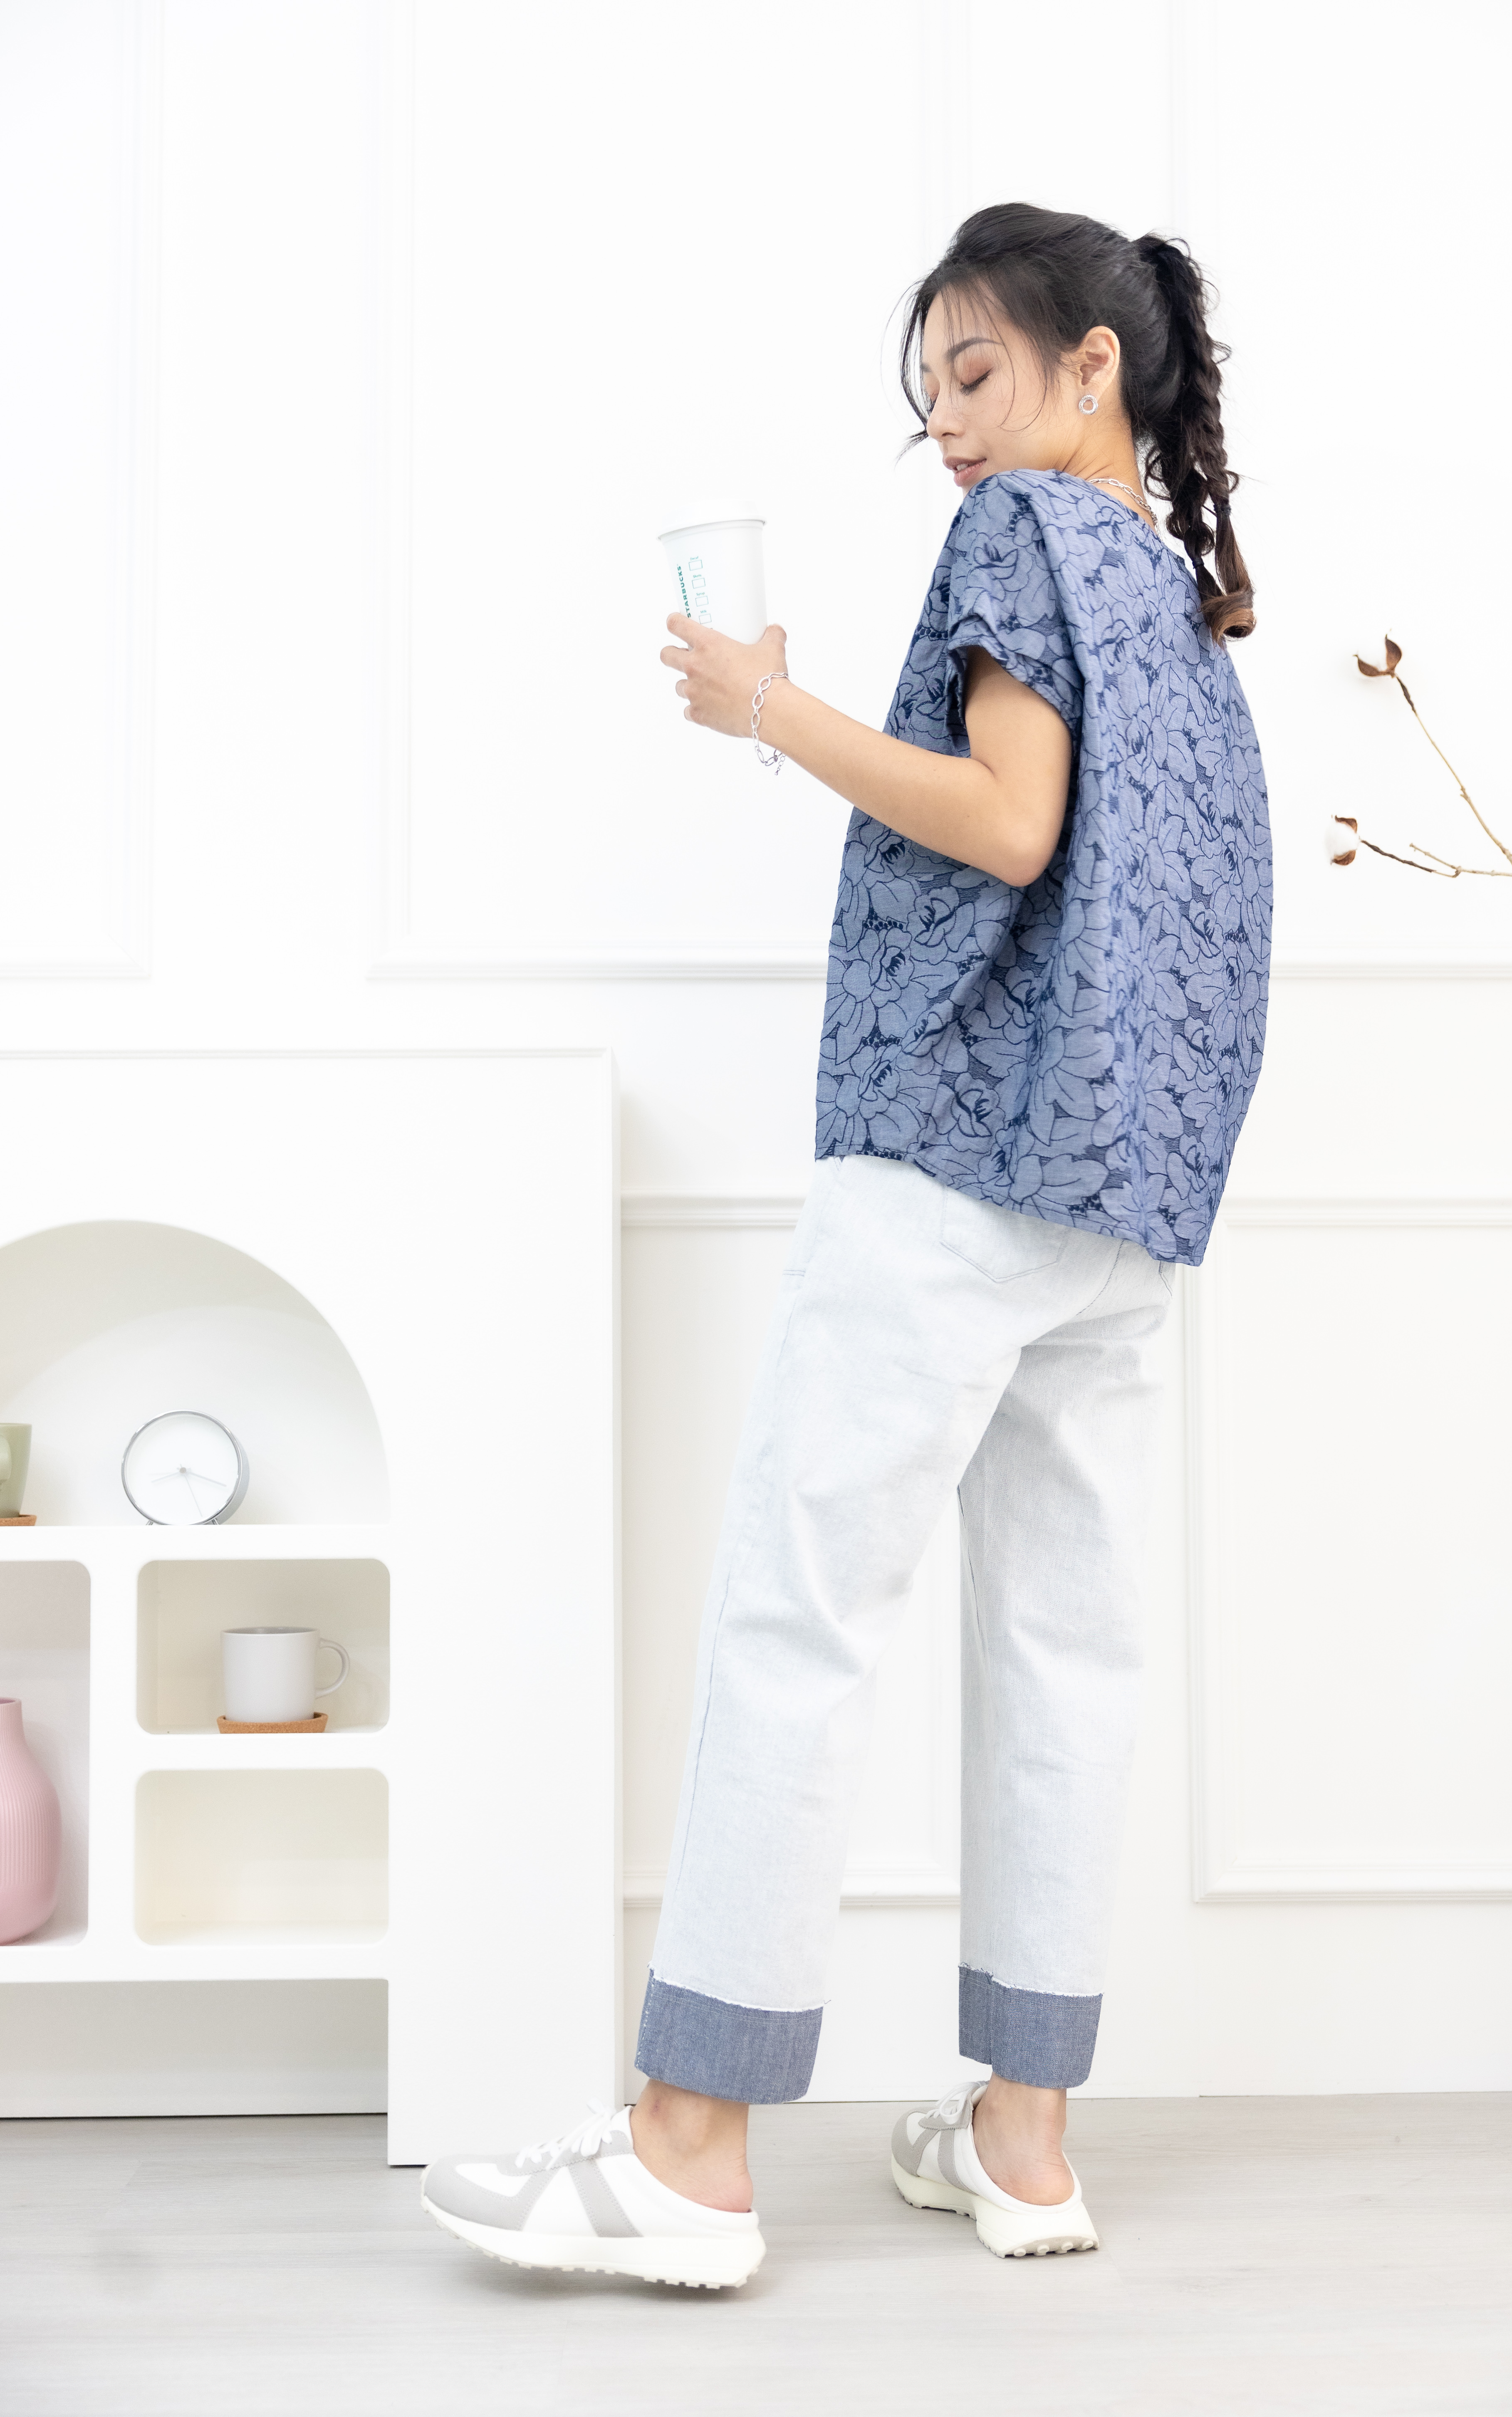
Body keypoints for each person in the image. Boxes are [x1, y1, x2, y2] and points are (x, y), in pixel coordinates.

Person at [422, 203, 1271, 2291]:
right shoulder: (1175, 591)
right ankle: (1025, 2141)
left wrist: (769, 707)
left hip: (957, 1164)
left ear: (1094, 367)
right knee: (1064, 1651)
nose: (951, 426)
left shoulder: (1020, 537)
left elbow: (1008, 821)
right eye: (930, 397)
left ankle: (689, 2151)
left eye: (978, 372)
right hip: (1122, 1203)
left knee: (797, 1617)